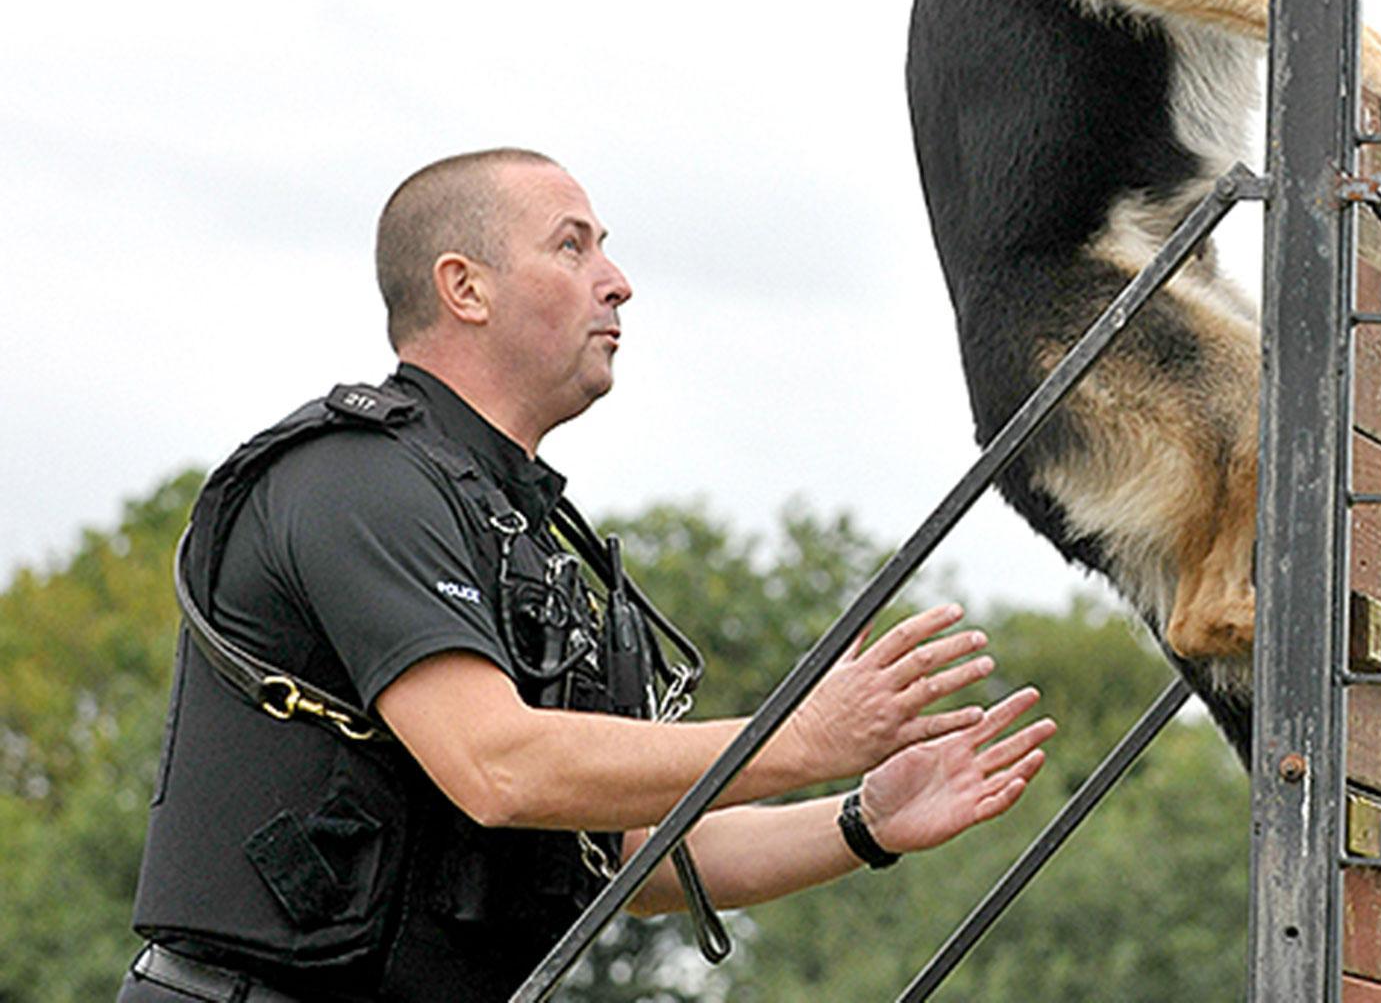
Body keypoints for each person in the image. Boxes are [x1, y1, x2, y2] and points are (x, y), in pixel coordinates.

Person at [124, 148, 1055, 1003]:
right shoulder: (353, 482)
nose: (618, 282)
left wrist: (862, 821)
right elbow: (497, 766)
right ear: (465, 288)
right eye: (573, 248)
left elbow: (635, 859)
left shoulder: (522, 531)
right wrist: (804, 738)